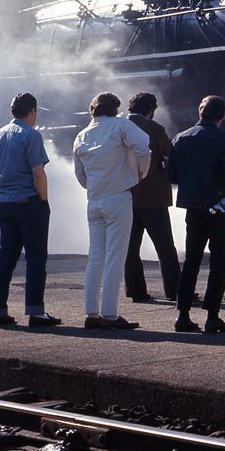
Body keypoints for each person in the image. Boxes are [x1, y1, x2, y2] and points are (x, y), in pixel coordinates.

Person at [73, 92, 150, 330]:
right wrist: (140, 173)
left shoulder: (82, 134)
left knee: (95, 258)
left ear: (93, 110)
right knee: (115, 258)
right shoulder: (121, 126)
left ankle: (91, 313)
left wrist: (94, 185)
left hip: (94, 199)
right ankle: (110, 314)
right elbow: (144, 146)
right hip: (118, 197)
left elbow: (80, 175)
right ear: (116, 109)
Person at [169, 94, 225, 334]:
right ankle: (212, 316)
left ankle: (183, 315)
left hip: (193, 206)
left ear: (200, 112)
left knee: (191, 260)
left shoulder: (180, 138)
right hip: (218, 206)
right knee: (219, 261)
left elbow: (172, 176)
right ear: (223, 115)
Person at [0, 93, 61, 328]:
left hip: (6, 203)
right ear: (33, 111)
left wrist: (5, 188)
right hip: (30, 203)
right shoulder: (31, 135)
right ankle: (35, 312)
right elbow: (38, 172)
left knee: (6, 257)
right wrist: (43, 198)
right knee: (35, 258)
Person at [124, 91, 182, 304]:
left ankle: (136, 290)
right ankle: (175, 290)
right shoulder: (153, 128)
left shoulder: (119, 127)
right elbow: (169, 152)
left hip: (126, 196)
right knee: (165, 247)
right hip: (153, 196)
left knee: (130, 248)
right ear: (151, 109)